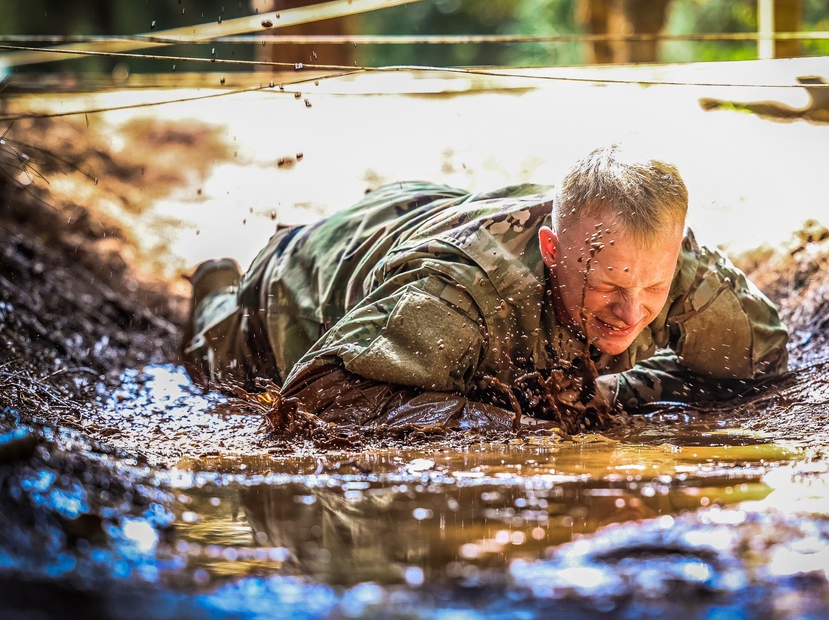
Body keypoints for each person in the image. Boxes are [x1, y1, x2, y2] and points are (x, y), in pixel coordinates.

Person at [182, 145, 788, 432]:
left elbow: (762, 358)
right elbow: (314, 398)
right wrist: (512, 423)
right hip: (299, 280)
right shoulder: (465, 289)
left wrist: (616, 391)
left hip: (423, 213)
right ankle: (213, 270)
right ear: (553, 253)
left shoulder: (670, 261)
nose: (632, 312)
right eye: (607, 287)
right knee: (216, 359)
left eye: (653, 286)